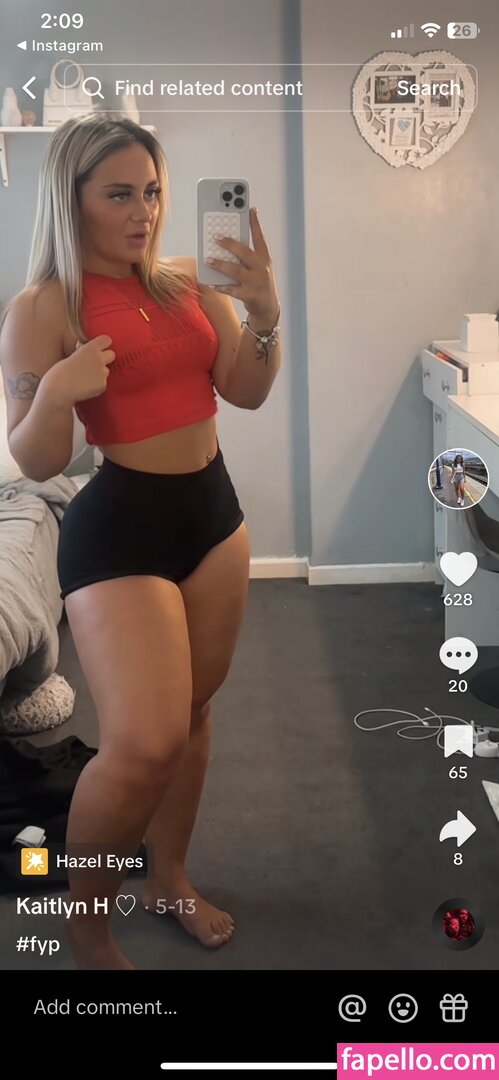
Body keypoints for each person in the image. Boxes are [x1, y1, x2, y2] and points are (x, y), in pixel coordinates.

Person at [0, 116, 281, 970]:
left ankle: (168, 879)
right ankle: (88, 928)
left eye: (152, 192)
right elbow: (36, 459)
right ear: (72, 200)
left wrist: (264, 316)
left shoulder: (189, 284)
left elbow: (245, 391)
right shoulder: (44, 306)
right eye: (119, 194)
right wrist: (57, 391)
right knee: (142, 745)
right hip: (120, 528)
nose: (144, 212)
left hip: (213, 518)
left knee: (192, 715)